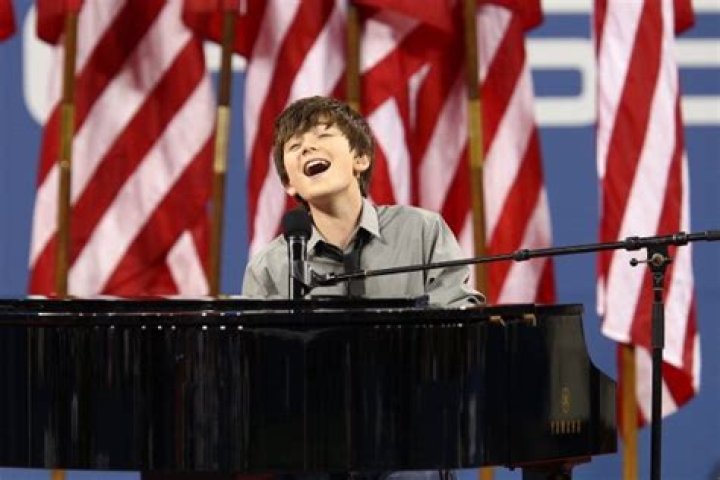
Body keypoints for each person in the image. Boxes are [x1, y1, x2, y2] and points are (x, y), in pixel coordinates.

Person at [242, 95, 483, 308]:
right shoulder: (268, 268)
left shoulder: (422, 232)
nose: (307, 148)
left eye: (323, 135)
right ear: (289, 184)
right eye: (295, 146)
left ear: (360, 159)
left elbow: (459, 323)